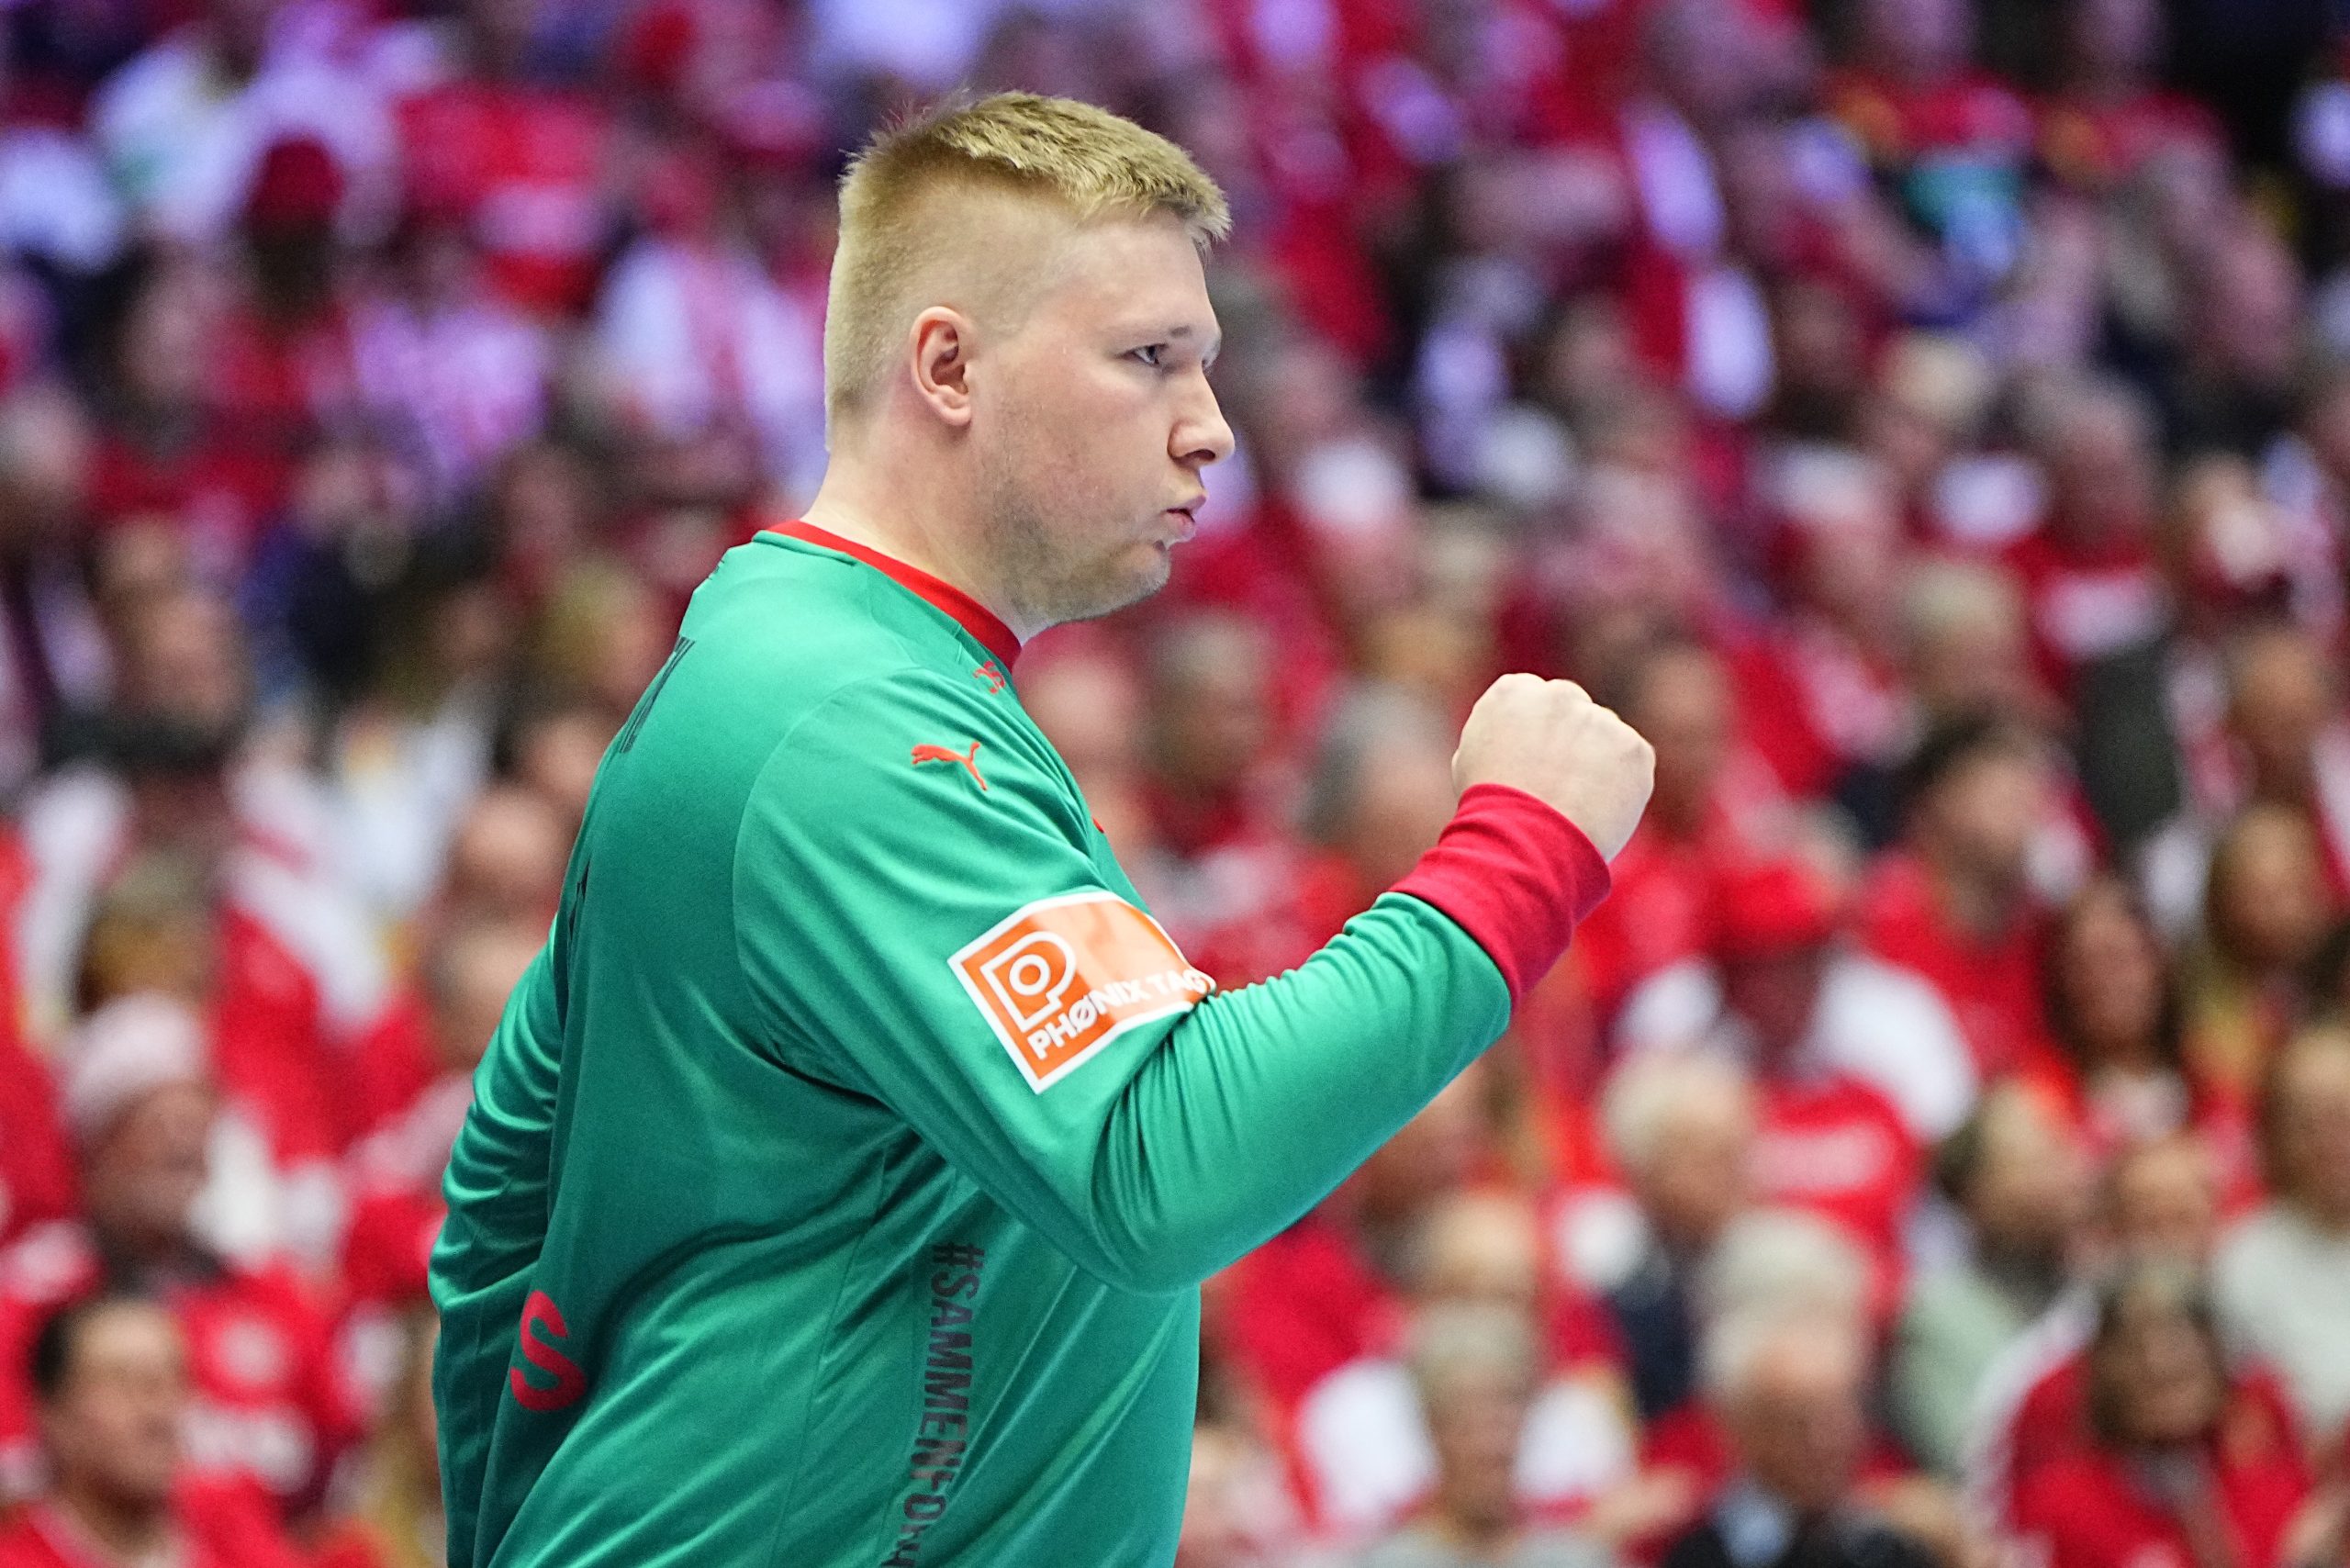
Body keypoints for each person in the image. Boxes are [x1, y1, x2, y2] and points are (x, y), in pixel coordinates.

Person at [430, 92, 1654, 1568]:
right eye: (1149, 362)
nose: (1210, 428)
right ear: (947, 365)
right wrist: (1522, 849)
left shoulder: (822, 670)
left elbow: (502, 1202)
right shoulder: (849, 727)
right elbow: (1157, 1165)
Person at [2009, 1261, 2330, 1568]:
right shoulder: (2058, 1510)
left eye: (2179, 1340)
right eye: (2132, 1346)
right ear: (2098, 1371)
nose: (2159, 1364)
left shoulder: (2275, 1480)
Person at [0, 1292, 306, 1568]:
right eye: (125, 1383)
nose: (159, 1413)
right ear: (51, 1413)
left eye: (172, 1381)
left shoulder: (234, 1521)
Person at [1657, 1308, 1937, 1568]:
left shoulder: (1895, 1543)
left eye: (1835, 1419)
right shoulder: (1702, 1553)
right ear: (1740, 1432)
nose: (1821, 1442)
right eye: (1796, 1424)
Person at [2213, 1026, 2350, 1456]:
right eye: (2310, 1123)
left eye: (2344, 1116)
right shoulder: (2242, 1260)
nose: (2334, 1142)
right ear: (2276, 1139)